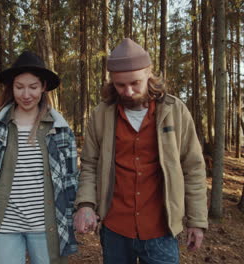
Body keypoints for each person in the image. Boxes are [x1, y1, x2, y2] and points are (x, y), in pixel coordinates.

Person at [74, 38, 208, 264]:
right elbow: (89, 164)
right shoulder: (101, 115)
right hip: (115, 229)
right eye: (120, 85)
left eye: (135, 83)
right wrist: (86, 204)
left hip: (161, 231)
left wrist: (197, 221)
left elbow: (193, 167)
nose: (127, 91)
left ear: (148, 73)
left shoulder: (174, 111)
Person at [0, 51, 79, 264]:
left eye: (33, 87)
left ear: (43, 87)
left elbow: (71, 178)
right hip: (5, 226)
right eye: (19, 87)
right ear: (11, 87)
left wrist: (76, 215)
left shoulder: (61, 130)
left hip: (47, 226)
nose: (26, 94)